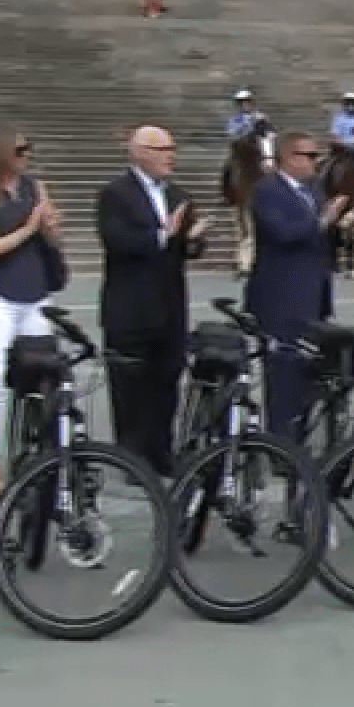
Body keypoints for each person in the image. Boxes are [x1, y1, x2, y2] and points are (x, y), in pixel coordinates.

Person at [0, 125, 67, 497]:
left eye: (28, 149)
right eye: (20, 150)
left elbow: (50, 236)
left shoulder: (34, 187)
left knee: (43, 372)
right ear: (1, 153)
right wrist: (27, 229)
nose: (27, 156)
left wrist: (51, 229)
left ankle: (41, 449)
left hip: (34, 290)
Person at [97, 125, 205, 477]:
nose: (170, 155)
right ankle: (131, 458)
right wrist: (163, 235)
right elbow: (118, 242)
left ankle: (161, 450)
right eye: (162, 149)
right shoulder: (115, 194)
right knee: (130, 385)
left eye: (172, 148)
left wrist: (193, 239)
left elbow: (184, 248)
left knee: (167, 380)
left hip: (170, 304)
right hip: (130, 306)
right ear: (140, 152)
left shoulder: (177, 194)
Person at [248, 131, 349, 436]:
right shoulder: (267, 190)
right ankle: (280, 444)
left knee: (309, 372)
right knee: (283, 374)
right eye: (309, 156)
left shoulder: (315, 192)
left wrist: (339, 229)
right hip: (281, 297)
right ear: (289, 158)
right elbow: (281, 233)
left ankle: (301, 436)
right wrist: (321, 221)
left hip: (314, 295)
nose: (315, 162)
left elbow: (320, 241)